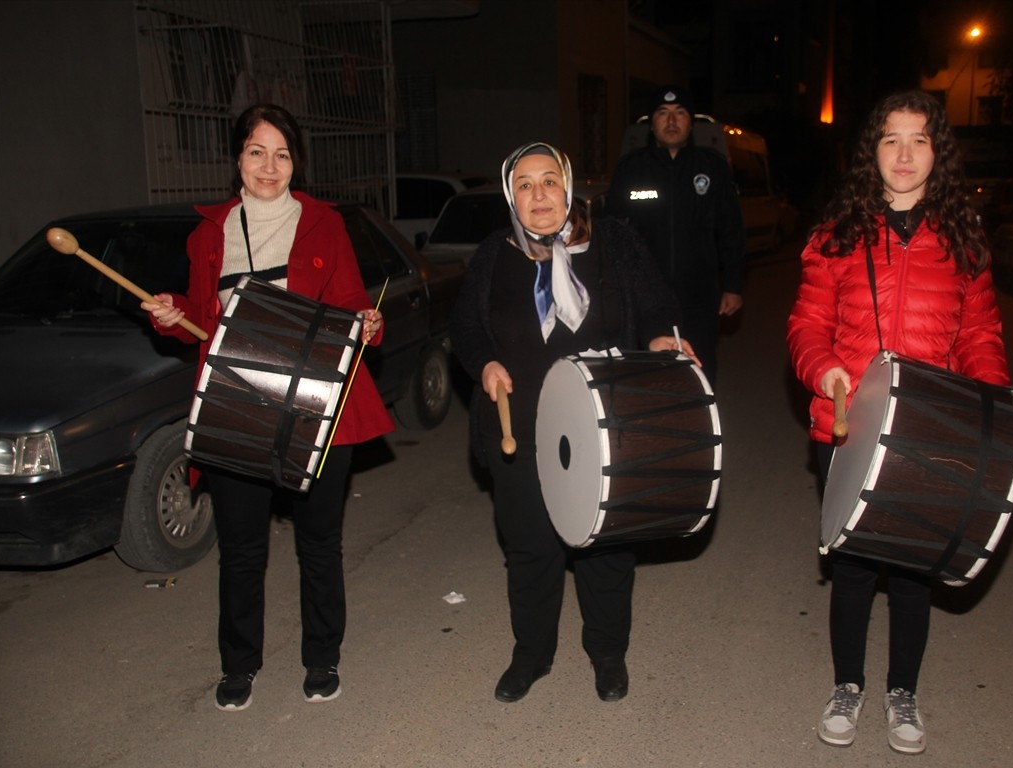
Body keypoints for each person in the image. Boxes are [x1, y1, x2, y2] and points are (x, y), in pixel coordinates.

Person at [142, 104, 393, 711]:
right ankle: (239, 665)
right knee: (243, 545)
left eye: (282, 154)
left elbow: (354, 305)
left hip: (313, 404)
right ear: (238, 159)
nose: (269, 166)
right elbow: (202, 317)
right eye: (257, 151)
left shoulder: (324, 225)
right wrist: (171, 313)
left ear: (294, 163)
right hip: (236, 403)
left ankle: (322, 657)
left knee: (318, 541)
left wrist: (368, 323)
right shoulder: (210, 234)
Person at [786, 89, 1010, 755]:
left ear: (937, 153)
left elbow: (982, 339)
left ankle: (902, 692)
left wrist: (988, 406)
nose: (905, 153)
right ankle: (847, 685)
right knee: (852, 569)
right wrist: (824, 369)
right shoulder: (835, 236)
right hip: (850, 427)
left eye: (919, 139)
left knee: (914, 573)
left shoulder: (962, 238)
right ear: (872, 152)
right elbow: (805, 325)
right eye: (891, 138)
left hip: (930, 431)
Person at [450, 142, 697, 703]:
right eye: (526, 185)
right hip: (521, 430)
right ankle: (531, 656)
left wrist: (663, 336)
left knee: (605, 547)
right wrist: (484, 362)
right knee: (531, 548)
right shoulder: (495, 254)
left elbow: (658, 303)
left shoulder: (613, 243)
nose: (540, 195)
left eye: (550, 181)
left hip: (603, 427)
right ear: (512, 195)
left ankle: (608, 654)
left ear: (568, 186)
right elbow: (465, 328)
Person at [605, 85, 746, 385]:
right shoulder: (631, 170)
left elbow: (730, 229)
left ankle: (702, 428)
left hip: (698, 296)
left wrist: (733, 284)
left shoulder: (712, 168)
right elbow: (611, 233)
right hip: (644, 296)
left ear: (691, 122)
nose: (671, 121)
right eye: (663, 113)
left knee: (700, 367)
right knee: (648, 371)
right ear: (651, 122)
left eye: (679, 113)